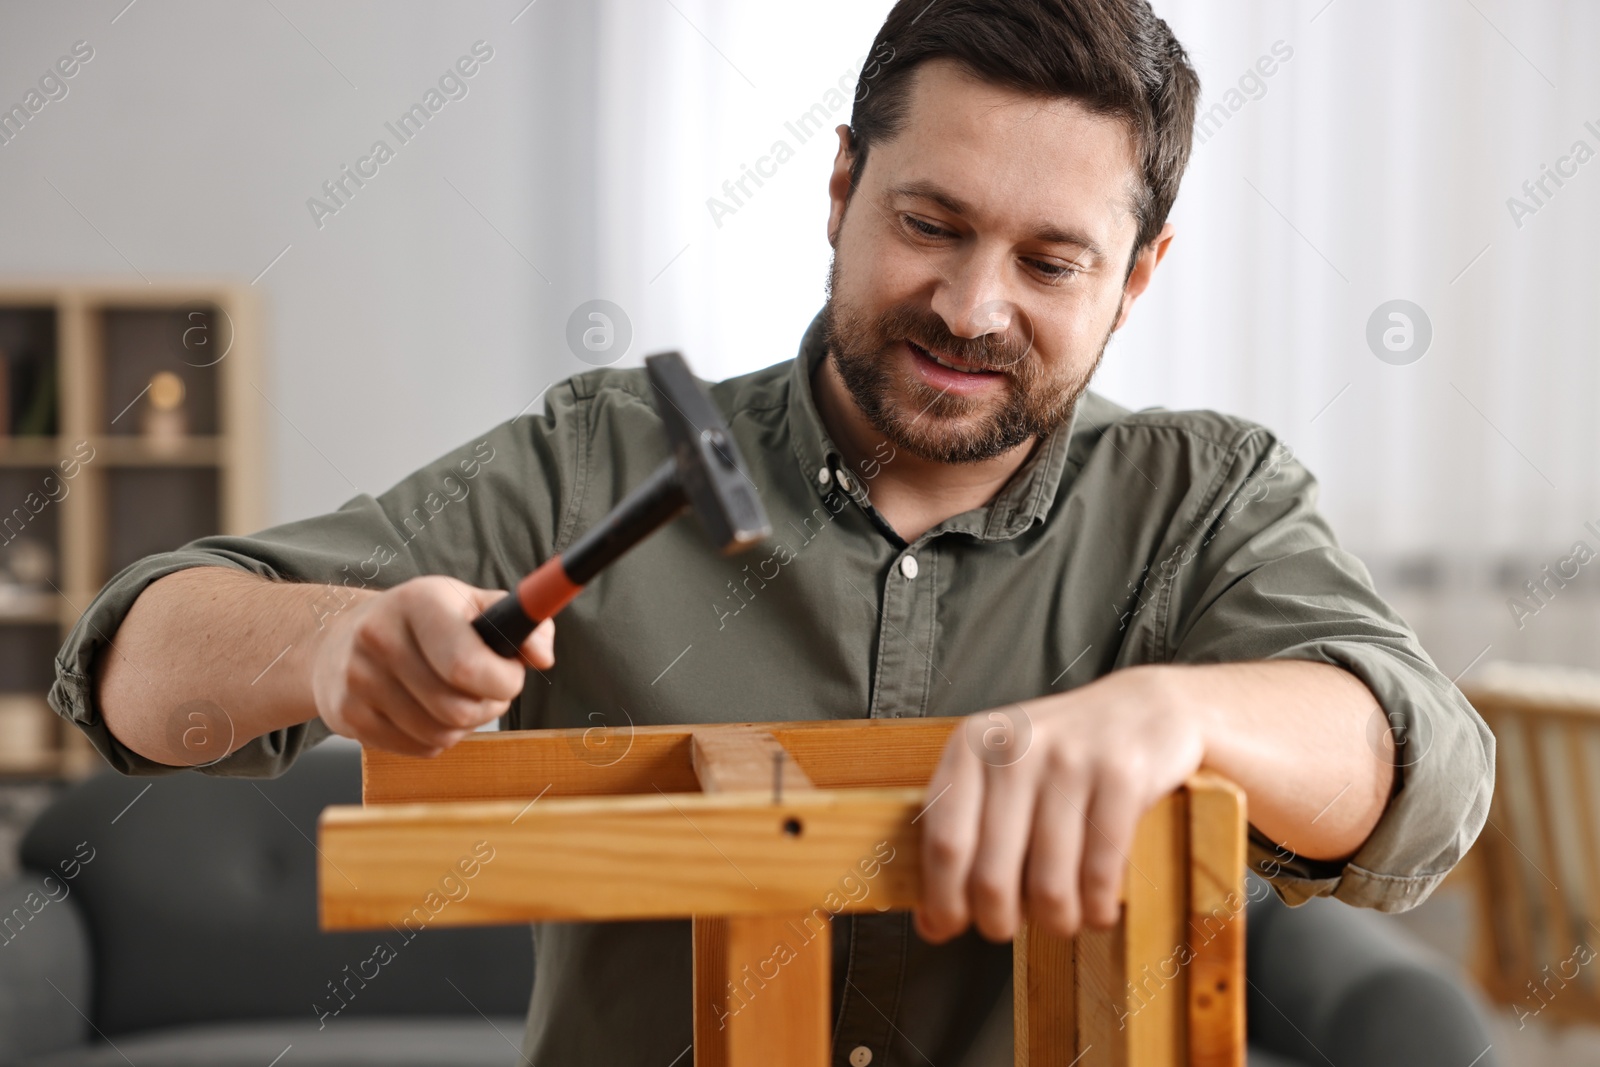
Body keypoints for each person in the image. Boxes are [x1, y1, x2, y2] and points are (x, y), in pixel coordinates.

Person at [51, 1, 1493, 1064]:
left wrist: (1177, 712)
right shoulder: (603, 456)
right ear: (839, 192)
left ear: (1140, 275)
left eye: (1053, 262)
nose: (974, 308)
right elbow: (136, 674)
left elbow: (1423, 778)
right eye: (931, 223)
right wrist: (335, 642)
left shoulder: (1208, 500)